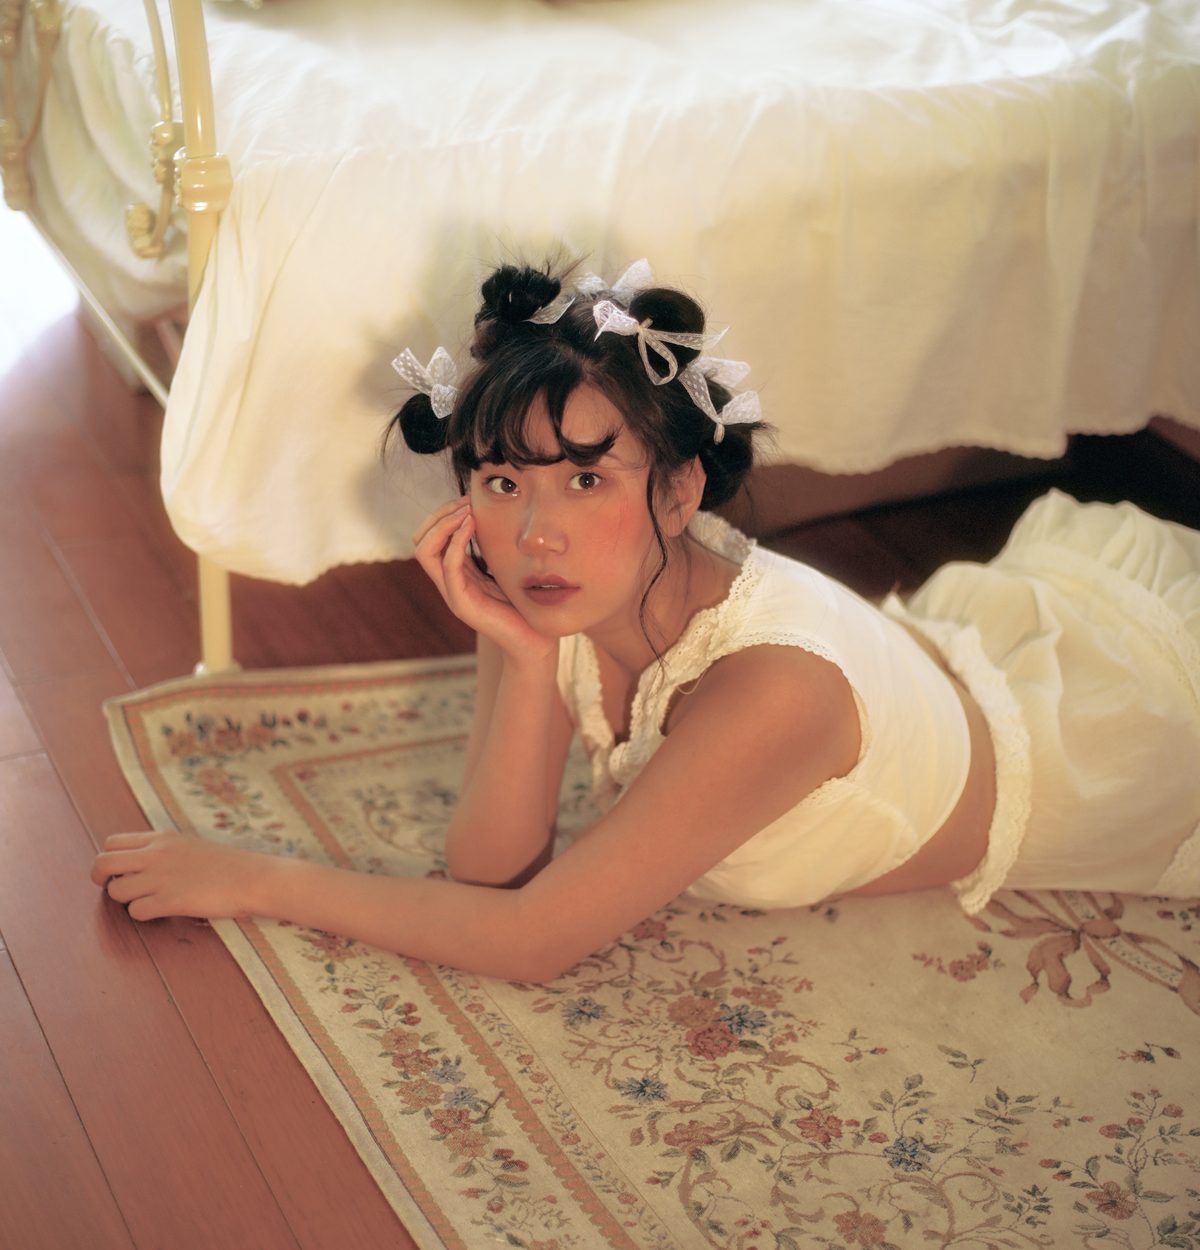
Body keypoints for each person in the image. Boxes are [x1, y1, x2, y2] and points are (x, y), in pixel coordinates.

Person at [91, 258, 1200, 983]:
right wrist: (525, 663)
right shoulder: (550, 589)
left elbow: (530, 938)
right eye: (502, 480)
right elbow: (490, 871)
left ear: (679, 491)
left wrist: (252, 877)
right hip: (960, 670)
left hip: (1118, 742)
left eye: (587, 480)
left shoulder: (771, 691)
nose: (537, 534)